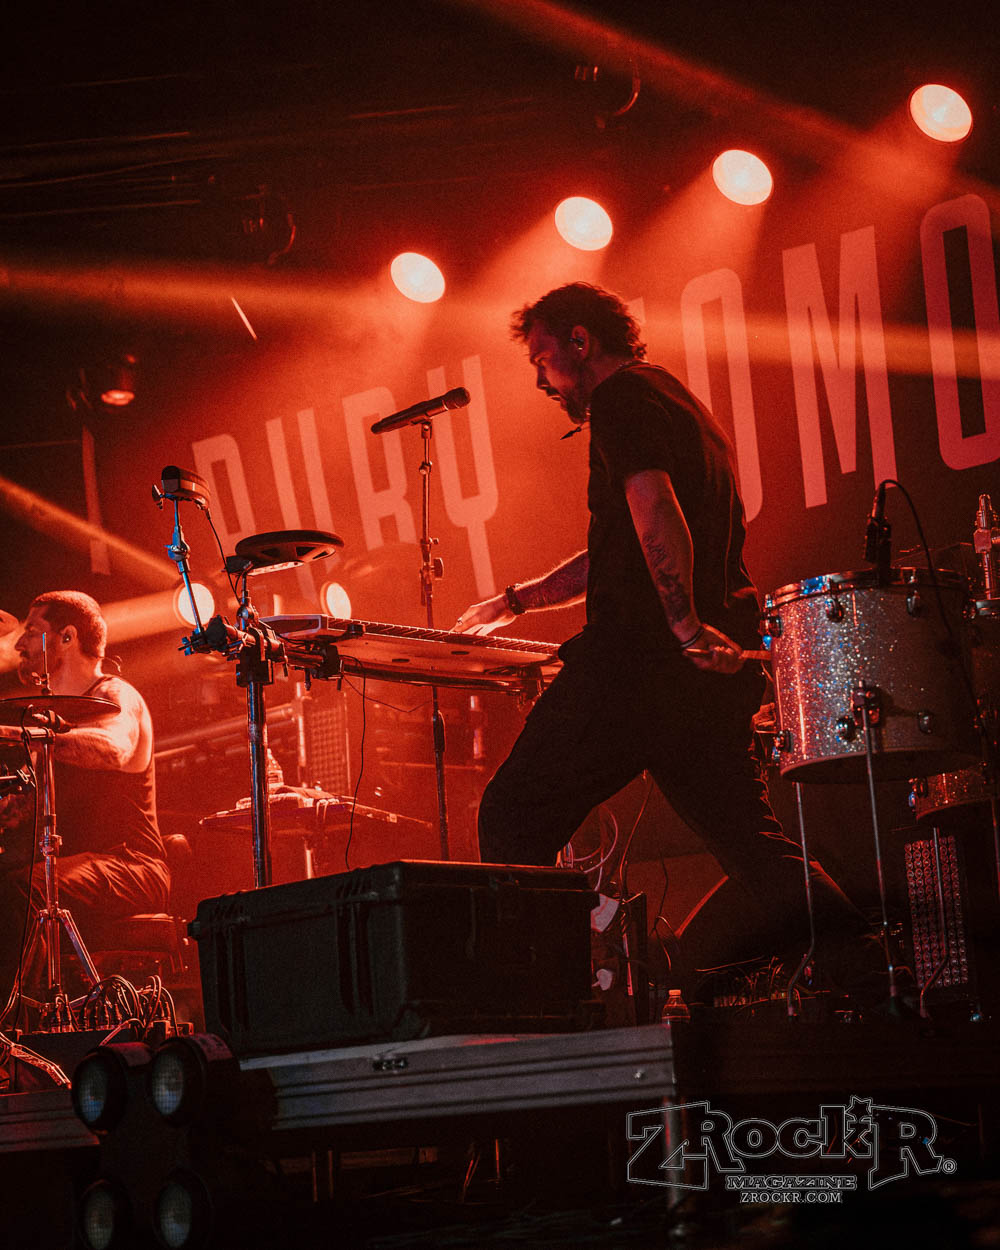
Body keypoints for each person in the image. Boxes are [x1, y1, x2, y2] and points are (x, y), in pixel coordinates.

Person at [455, 282, 870, 986]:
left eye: (543, 359)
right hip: (701, 678)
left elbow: (656, 511)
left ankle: (545, 997)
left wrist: (682, 626)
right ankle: (865, 972)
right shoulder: (677, 404)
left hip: (638, 666)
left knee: (512, 813)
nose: (541, 380)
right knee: (750, 841)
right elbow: (624, 543)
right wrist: (519, 600)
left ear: (581, 341)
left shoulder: (621, 400)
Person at [0, 590, 169, 1009]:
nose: (19, 644)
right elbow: (22, 812)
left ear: (67, 637)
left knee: (21, 889)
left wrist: (22, 737)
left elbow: (115, 749)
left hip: (132, 865)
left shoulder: (116, 695)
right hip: (72, 865)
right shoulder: (47, 721)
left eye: (32, 631)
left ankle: (18, 1021)